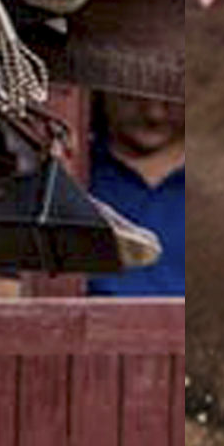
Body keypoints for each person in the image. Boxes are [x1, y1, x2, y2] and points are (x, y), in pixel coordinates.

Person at [78, 87, 176, 295]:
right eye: (131, 96)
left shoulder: (223, 184)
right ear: (102, 94)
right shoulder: (74, 174)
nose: (154, 114)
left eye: (171, 99)